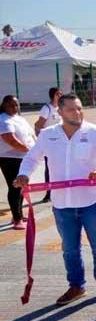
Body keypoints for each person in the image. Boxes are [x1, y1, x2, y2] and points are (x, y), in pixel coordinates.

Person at [15, 93, 96, 305]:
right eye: (71, 109)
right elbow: (32, 158)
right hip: (62, 204)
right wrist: (24, 174)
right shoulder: (48, 135)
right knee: (70, 249)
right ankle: (76, 286)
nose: (77, 112)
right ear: (60, 112)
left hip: (93, 201)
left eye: (79, 108)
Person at [0, 96, 36, 229]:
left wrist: (36, 148)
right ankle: (17, 219)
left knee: (21, 186)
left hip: (23, 157)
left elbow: (31, 135)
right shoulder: (3, 120)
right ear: (4, 106)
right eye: (11, 105)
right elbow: (10, 139)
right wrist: (28, 149)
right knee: (15, 187)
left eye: (17, 104)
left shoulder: (19, 118)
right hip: (9, 159)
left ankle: (18, 214)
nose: (15, 107)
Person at [34, 87, 62, 204]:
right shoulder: (47, 109)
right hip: (50, 144)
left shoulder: (60, 108)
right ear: (54, 95)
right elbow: (38, 125)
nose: (61, 96)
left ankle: (60, 189)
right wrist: (42, 140)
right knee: (49, 168)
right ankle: (49, 192)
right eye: (59, 94)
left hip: (61, 143)